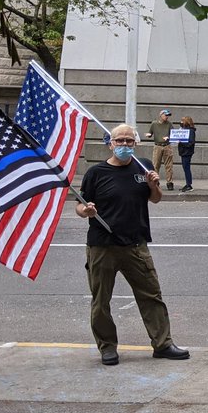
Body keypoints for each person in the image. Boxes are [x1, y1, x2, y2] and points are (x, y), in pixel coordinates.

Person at [75, 123, 190, 366]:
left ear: (135, 143)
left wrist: (152, 185)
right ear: (111, 144)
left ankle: (163, 344)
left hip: (136, 245)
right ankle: (107, 347)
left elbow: (155, 199)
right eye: (120, 140)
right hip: (102, 246)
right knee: (101, 300)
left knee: (151, 295)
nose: (125, 144)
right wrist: (86, 211)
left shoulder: (144, 166)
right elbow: (80, 206)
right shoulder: (96, 173)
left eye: (129, 140)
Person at [147, 109, 175, 190]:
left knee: (169, 165)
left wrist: (168, 137)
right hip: (157, 146)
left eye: (168, 115)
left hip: (167, 146)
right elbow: (150, 133)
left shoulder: (169, 124)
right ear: (161, 115)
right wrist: (149, 135)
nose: (167, 117)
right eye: (165, 115)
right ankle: (156, 181)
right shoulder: (154, 124)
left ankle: (169, 182)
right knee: (156, 165)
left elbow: (174, 134)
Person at [177, 116, 197, 192]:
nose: (181, 122)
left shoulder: (190, 131)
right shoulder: (184, 130)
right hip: (184, 152)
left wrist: (181, 141)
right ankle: (188, 183)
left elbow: (190, 143)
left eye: (182, 121)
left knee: (186, 168)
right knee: (185, 168)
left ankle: (189, 184)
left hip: (187, 152)